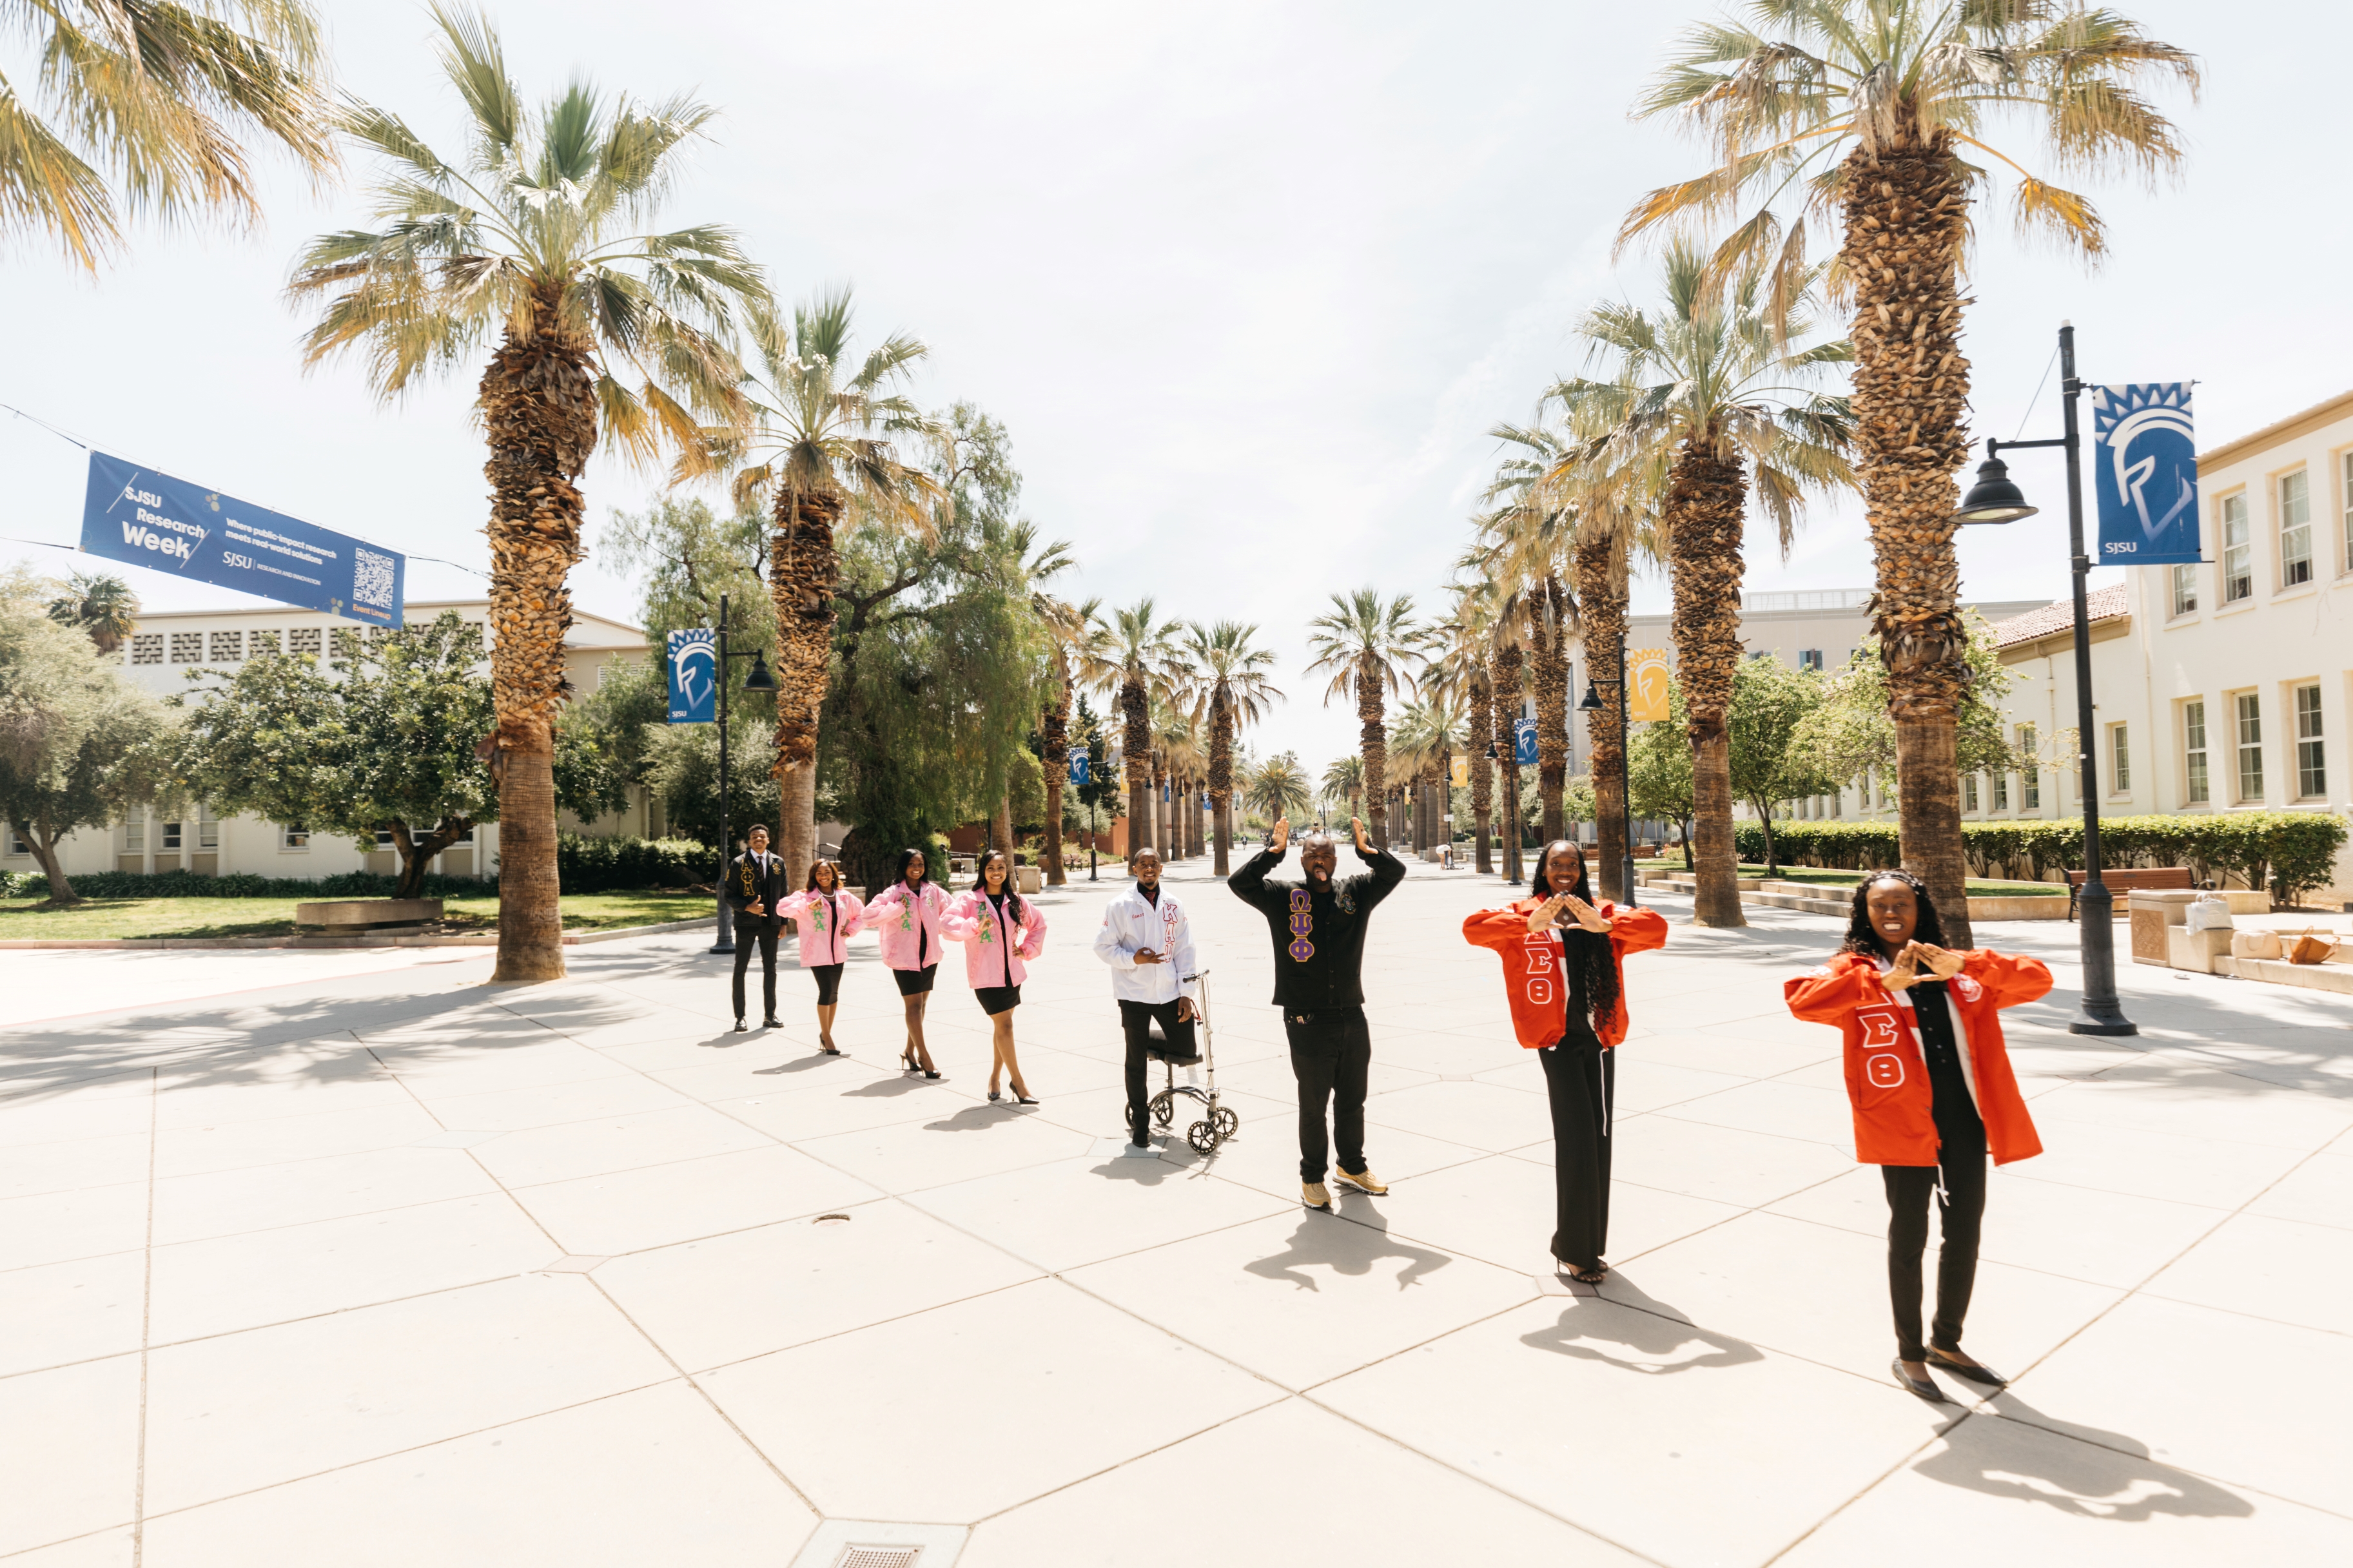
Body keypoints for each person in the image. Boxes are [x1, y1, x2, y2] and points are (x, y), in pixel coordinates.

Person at [1784, 870, 2053, 1403]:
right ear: (1864, 914)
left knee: (1965, 1229)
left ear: (1919, 909)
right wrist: (1879, 986)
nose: (1891, 913)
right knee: (1909, 1235)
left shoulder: (1955, 968)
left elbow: (2037, 978)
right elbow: (1802, 999)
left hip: (1965, 1118)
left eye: (1901, 903)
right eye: (1879, 905)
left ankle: (1946, 1341)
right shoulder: (1857, 969)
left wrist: (1967, 965)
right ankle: (1909, 1352)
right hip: (1902, 1122)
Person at [1461, 839, 1668, 1284]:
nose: (1565, 870)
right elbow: (1473, 928)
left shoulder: (1599, 911)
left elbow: (1656, 929)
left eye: (1572, 864)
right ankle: (1573, 1250)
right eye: (1557, 863)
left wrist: (1602, 925)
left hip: (1599, 1038)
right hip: (1557, 1042)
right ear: (1544, 868)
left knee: (1598, 1140)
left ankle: (1589, 1244)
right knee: (1577, 1140)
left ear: (1581, 870)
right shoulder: (1525, 911)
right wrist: (1529, 922)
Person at [1228, 815, 1405, 1210]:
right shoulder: (1282, 895)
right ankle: (1312, 1178)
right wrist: (1271, 855)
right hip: (1306, 1020)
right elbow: (1240, 883)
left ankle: (1352, 1166)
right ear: (1302, 859)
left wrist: (1369, 851)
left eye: (1326, 855)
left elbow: (1395, 872)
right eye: (1312, 855)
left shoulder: (1357, 891)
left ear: (1337, 860)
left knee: (1352, 1101)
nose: (1319, 861)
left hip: (1351, 1016)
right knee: (1313, 1105)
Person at [1093, 846, 1200, 1149]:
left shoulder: (1174, 905)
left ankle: (1144, 1039)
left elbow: (1185, 950)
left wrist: (1186, 993)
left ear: (1161, 869)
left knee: (1186, 1050)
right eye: (1143, 864)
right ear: (1134, 869)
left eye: (1154, 864)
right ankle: (1141, 1122)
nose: (1149, 869)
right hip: (1134, 995)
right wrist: (1133, 960)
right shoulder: (1120, 905)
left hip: (1168, 992)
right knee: (1135, 1061)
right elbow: (1102, 947)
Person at [943, 849, 1050, 1104]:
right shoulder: (970, 901)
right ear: (983, 871)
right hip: (986, 975)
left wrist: (1026, 950)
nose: (996, 873)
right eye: (991, 868)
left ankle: (994, 1077)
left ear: (1007, 872)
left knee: (1002, 1029)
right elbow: (946, 923)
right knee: (1006, 1026)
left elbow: (1039, 924)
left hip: (1012, 975)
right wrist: (973, 926)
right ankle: (1019, 1083)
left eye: (1001, 868)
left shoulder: (1016, 901)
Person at [868, 847, 950, 1079]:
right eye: (912, 864)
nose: (917, 868)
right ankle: (925, 1056)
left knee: (921, 1005)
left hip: (929, 956)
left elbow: (952, 910)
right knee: (913, 1006)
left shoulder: (933, 891)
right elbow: (869, 915)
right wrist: (895, 909)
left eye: (920, 864)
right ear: (904, 867)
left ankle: (909, 1051)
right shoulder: (893, 893)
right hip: (904, 958)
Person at [776, 858, 864, 1054]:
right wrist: (807, 907)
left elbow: (862, 915)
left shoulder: (844, 896)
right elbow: (781, 909)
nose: (823, 877)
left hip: (838, 952)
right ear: (814, 877)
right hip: (816, 952)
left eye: (827, 873)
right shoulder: (805, 896)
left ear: (833, 874)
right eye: (819, 874)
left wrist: (850, 930)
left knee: (834, 992)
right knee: (826, 991)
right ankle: (827, 1035)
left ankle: (826, 1034)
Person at [724, 824, 787, 1031]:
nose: (758, 839)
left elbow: (784, 896)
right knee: (740, 969)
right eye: (754, 837)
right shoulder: (737, 863)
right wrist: (747, 907)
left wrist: (784, 923)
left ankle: (770, 1015)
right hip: (746, 925)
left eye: (762, 836)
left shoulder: (778, 863)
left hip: (771, 924)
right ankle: (740, 1017)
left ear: (768, 840)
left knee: (771, 969)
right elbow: (729, 894)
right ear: (749, 841)